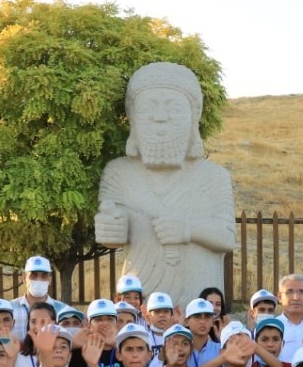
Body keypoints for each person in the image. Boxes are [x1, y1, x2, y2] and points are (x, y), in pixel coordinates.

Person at [94, 61, 236, 301]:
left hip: (199, 302)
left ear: (194, 118)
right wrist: (110, 227)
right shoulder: (118, 173)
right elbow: (111, 235)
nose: (161, 119)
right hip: (140, 301)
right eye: (148, 109)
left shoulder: (213, 176)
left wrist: (188, 229)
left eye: (176, 109)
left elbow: (227, 237)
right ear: (132, 118)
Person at [11, 255, 65, 342]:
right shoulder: (10, 309)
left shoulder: (63, 310)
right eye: (33, 275)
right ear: (24, 278)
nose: (39, 280)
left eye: (44, 276)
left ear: (50, 279)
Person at [183, 298, 221, 367]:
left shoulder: (220, 349)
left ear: (212, 322)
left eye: (207, 317)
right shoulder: (181, 350)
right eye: (197, 317)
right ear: (186, 321)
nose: (203, 321)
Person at [143, 292, 177, 367]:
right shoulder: (143, 338)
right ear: (148, 317)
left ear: (172, 315)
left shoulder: (178, 336)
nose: (162, 315)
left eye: (166, 311)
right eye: (157, 311)